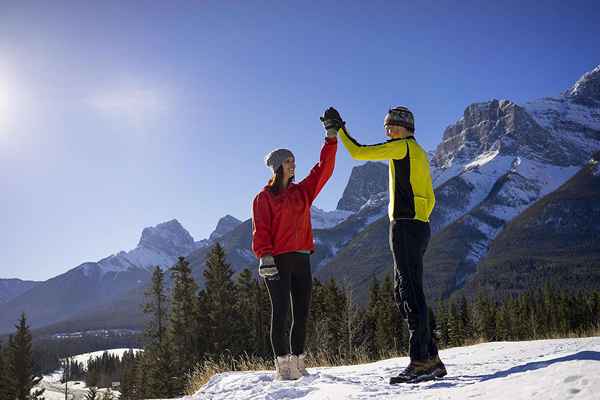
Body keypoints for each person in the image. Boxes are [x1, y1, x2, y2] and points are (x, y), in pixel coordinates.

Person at [323, 106, 446, 384]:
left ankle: (421, 361)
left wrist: (339, 128)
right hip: (416, 226)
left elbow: (358, 152)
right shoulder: (417, 153)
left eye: (392, 125)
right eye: (386, 126)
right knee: (404, 292)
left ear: (406, 128)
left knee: (410, 293)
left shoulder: (402, 148)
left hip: (405, 225)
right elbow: (430, 196)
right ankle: (432, 358)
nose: (388, 130)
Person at [251, 110, 337, 380]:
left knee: (301, 313)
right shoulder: (263, 198)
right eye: (288, 161)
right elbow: (261, 229)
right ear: (277, 166)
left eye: (294, 161)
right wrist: (264, 257)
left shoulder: (303, 192)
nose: (293, 165)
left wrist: (331, 137)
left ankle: (298, 363)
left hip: (302, 259)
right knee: (281, 313)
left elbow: (324, 170)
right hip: (277, 262)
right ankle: (283, 366)